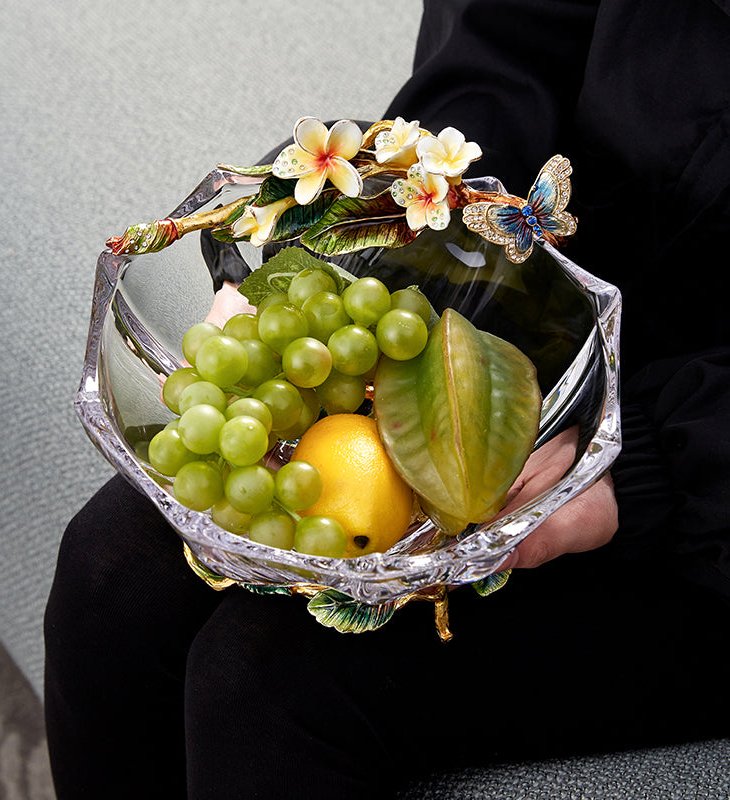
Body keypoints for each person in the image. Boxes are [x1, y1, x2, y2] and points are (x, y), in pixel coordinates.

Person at [43, 1, 730, 797]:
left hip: (703, 508)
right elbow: (506, 50)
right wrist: (405, 237)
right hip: (529, 345)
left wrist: (656, 457)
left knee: (269, 691)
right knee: (109, 574)